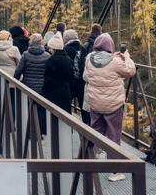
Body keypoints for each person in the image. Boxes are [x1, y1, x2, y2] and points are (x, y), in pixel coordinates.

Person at [83, 33, 135, 182]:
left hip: (95, 103)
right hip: (113, 104)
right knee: (113, 136)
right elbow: (130, 71)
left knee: (95, 133)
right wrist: (127, 57)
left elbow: (87, 75)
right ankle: (115, 171)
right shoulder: (116, 61)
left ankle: (89, 163)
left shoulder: (89, 59)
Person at [14, 33, 51, 134]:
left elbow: (18, 71)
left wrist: (15, 81)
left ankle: (29, 131)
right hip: (41, 87)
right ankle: (40, 131)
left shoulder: (26, 54)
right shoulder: (47, 56)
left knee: (28, 109)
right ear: (41, 42)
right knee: (40, 109)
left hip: (28, 86)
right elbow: (49, 73)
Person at [42, 32, 74, 113]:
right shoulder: (69, 60)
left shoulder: (51, 61)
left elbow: (47, 80)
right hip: (66, 93)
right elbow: (71, 78)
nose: (49, 50)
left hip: (53, 94)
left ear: (54, 48)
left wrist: (44, 91)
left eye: (50, 48)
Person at [63, 29, 89, 124]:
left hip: (70, 82)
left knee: (67, 105)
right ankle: (88, 130)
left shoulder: (65, 49)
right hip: (82, 82)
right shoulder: (83, 48)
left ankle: (68, 126)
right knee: (84, 108)